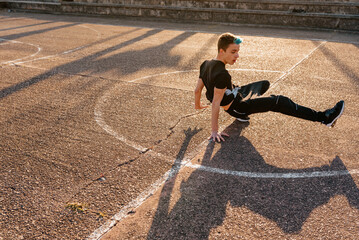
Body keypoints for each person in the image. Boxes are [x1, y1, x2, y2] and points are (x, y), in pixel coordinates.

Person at [194, 32, 345, 142]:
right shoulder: (222, 75)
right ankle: (324, 118)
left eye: (238, 52)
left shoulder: (205, 64)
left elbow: (197, 90)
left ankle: (241, 97)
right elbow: (215, 103)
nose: (237, 56)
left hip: (233, 94)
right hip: (237, 106)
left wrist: (198, 105)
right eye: (233, 52)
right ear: (221, 51)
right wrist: (214, 131)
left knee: (263, 84)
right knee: (278, 101)